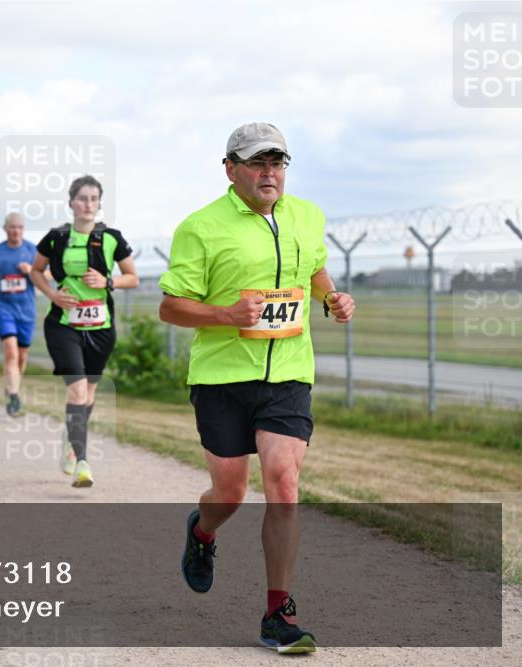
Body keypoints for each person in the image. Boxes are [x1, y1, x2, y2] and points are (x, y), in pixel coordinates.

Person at [158, 122, 356, 654]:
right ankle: (202, 532)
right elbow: (170, 305)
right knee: (229, 494)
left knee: (283, 481)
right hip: (223, 377)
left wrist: (332, 299)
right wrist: (225, 313)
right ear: (230, 168)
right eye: (257, 163)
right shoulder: (200, 228)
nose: (269, 173)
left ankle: (277, 613)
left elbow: (314, 268)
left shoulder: (308, 216)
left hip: (289, 373)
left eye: (278, 163)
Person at [29, 175, 139, 487]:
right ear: (71, 203)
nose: (88, 204)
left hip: (101, 327)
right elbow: (36, 270)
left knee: (88, 392)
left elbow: (132, 277)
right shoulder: (56, 237)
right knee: (77, 389)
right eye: (82, 198)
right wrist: (51, 294)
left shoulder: (112, 238)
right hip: (64, 325)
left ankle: (71, 435)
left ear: (99, 203)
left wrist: (107, 282)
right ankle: (83, 462)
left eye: (93, 198)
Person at [0, 212, 39, 417]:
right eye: (12, 227)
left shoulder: (32, 250)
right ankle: (14, 396)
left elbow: (48, 273)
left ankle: (12, 386)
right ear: (6, 229)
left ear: (23, 229)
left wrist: (31, 271)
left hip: (26, 310)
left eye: (20, 227)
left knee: (22, 356)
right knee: (11, 353)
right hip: (3, 308)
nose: (16, 231)